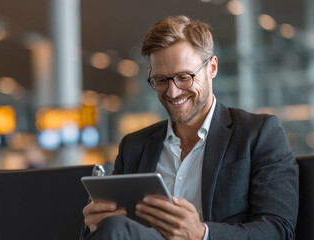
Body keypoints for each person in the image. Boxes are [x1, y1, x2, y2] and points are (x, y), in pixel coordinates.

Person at [83, 15, 299, 240]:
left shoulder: (258, 133)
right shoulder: (134, 146)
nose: (172, 92)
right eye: (160, 80)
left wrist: (202, 234)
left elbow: (278, 230)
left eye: (184, 77)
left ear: (212, 68)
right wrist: (95, 223)